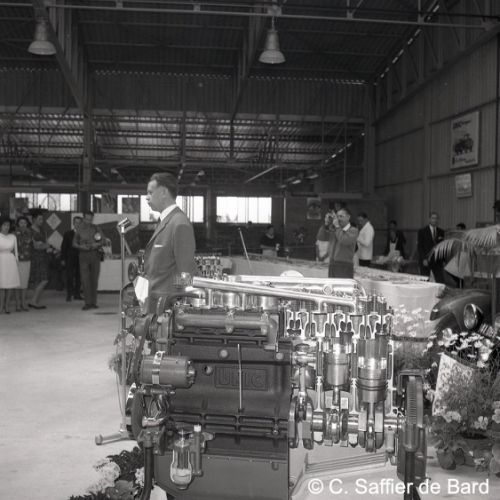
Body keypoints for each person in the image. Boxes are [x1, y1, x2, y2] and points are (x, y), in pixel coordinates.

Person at [144, 172, 197, 313]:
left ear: (163, 193)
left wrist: (181, 303)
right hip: (157, 301)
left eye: (150, 192)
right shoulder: (166, 221)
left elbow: (186, 271)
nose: (146, 197)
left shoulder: (179, 224)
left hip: (167, 305)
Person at [73, 211, 104, 311]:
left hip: (95, 255)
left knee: (94, 280)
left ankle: (93, 302)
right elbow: (74, 243)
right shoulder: (79, 229)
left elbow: (102, 240)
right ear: (83, 218)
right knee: (85, 280)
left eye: (90, 219)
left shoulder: (96, 228)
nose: (89, 221)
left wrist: (97, 244)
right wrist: (81, 247)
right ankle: (87, 303)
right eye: (87, 219)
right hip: (83, 256)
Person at [327, 207, 359, 278]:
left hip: (344, 265)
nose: (339, 219)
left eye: (341, 216)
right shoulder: (336, 229)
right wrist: (329, 222)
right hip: (332, 264)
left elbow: (344, 240)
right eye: (337, 216)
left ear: (348, 217)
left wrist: (337, 227)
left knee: (342, 285)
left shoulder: (353, 230)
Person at [28, 211, 50, 309]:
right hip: (34, 257)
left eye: (42, 219)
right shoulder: (29, 231)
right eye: (39, 219)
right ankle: (33, 301)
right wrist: (43, 245)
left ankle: (34, 301)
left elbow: (46, 244)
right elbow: (36, 246)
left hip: (43, 257)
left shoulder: (43, 230)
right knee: (43, 280)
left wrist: (43, 245)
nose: (42, 221)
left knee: (41, 279)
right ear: (33, 219)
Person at [0, 217, 21, 314]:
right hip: (1, 261)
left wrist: (17, 262)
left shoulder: (13, 237)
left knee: (9, 285)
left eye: (8, 225)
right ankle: (1, 307)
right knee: (1, 285)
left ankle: (7, 306)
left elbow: (16, 252)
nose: (6, 227)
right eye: (4, 225)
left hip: (10, 261)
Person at [417, 211, 445, 283]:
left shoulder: (441, 232)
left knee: (440, 281)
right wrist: (424, 258)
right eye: (433, 218)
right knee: (424, 281)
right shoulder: (422, 231)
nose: (435, 220)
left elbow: (443, 247)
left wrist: (443, 260)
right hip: (426, 260)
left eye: (436, 218)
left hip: (437, 261)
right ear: (429, 219)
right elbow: (420, 247)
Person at [61, 216, 82, 302]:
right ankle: (69, 294)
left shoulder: (84, 234)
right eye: (76, 222)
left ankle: (77, 294)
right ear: (73, 223)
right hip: (70, 258)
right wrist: (63, 259)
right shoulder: (68, 233)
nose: (78, 224)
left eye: (79, 222)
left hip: (81, 258)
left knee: (79, 277)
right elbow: (63, 247)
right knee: (69, 277)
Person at [14, 216, 33, 311]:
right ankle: (18, 304)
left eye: (24, 223)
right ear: (18, 224)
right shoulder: (13, 234)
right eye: (21, 222)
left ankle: (23, 303)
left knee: (24, 282)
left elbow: (33, 245)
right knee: (17, 283)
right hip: (16, 261)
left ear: (27, 224)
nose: (23, 224)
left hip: (27, 260)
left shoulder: (30, 233)